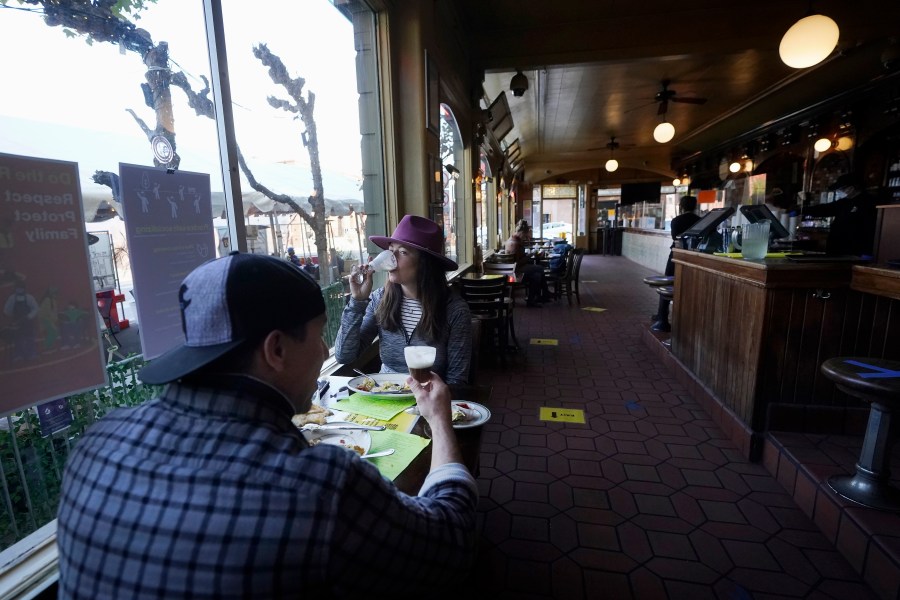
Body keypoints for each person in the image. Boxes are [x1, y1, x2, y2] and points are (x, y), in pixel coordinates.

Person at [56, 252, 477, 598]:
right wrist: (440, 421)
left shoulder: (93, 445)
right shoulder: (320, 486)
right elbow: (451, 538)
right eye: (317, 338)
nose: (325, 349)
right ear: (276, 349)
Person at [335, 215, 473, 385]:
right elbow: (344, 355)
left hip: (429, 401)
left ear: (425, 263)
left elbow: (456, 381)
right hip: (384, 398)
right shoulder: (379, 299)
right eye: (390, 250)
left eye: (402, 252)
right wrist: (357, 302)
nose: (390, 258)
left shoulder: (454, 310)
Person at [802, 173, 878, 256]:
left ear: (851, 188)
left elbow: (870, 229)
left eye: (840, 189)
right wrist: (802, 210)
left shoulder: (869, 202)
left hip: (854, 251)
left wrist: (866, 252)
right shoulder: (844, 202)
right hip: (837, 249)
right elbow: (826, 209)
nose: (838, 192)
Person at [505, 219, 552, 307]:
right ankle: (544, 294)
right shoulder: (515, 243)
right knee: (540, 269)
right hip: (516, 270)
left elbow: (518, 258)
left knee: (537, 275)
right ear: (522, 232)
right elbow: (518, 262)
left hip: (512, 268)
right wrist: (530, 255)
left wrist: (527, 255)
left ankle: (538, 297)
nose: (525, 237)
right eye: (525, 235)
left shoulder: (511, 240)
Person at [665, 195, 701, 276]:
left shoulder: (676, 220)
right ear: (695, 206)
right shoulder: (700, 221)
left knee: (671, 277)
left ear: (681, 206)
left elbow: (675, 238)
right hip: (695, 254)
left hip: (677, 252)